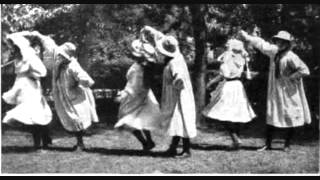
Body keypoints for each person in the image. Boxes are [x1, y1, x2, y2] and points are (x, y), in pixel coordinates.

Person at [240, 30, 311, 151]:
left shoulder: (291, 57)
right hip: (275, 89)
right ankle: (268, 144)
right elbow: (262, 44)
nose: (280, 43)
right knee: (272, 114)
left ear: (288, 44)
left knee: (290, 114)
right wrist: (247, 37)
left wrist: (291, 77)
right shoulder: (274, 52)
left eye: (283, 42)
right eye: (278, 41)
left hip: (288, 91)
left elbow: (305, 70)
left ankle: (287, 144)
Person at [2, 32, 53, 151]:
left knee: (35, 114)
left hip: (32, 89)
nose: (13, 50)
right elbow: (17, 74)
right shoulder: (17, 59)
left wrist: (31, 75)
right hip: (21, 90)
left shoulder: (30, 58)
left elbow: (42, 72)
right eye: (12, 47)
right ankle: (43, 140)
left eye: (14, 47)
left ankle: (41, 143)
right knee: (29, 117)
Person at [202, 39, 256, 150]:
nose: (226, 46)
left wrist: (211, 82)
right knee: (235, 114)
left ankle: (235, 139)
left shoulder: (227, 58)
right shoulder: (241, 58)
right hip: (238, 86)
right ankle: (236, 139)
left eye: (227, 44)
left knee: (223, 113)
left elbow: (224, 74)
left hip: (229, 87)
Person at [114, 39, 161, 151]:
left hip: (136, 96)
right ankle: (147, 142)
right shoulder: (141, 66)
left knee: (129, 118)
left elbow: (138, 86)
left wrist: (123, 95)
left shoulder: (142, 69)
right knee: (140, 119)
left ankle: (146, 142)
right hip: (139, 95)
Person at [52, 42, 99, 151]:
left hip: (76, 97)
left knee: (76, 118)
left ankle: (80, 143)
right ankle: (79, 142)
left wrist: (80, 82)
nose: (59, 57)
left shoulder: (73, 66)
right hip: (65, 96)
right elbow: (56, 79)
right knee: (70, 118)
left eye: (62, 55)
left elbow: (85, 79)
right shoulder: (59, 66)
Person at [156, 35, 197, 158]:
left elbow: (179, 76)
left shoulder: (175, 62)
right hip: (177, 95)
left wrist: (175, 83)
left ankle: (186, 150)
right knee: (177, 122)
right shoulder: (177, 57)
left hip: (179, 96)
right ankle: (173, 148)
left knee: (181, 120)